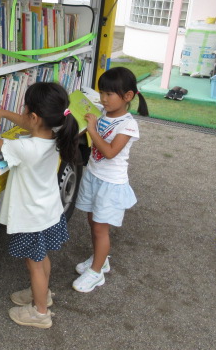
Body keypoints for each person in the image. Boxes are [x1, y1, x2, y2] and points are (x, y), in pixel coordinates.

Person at [0, 82, 79, 329]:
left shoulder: (25, 148)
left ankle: (40, 312)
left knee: (33, 263)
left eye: (25, 111)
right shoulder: (56, 134)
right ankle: (42, 294)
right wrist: (1, 112)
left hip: (31, 217)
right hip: (48, 212)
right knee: (41, 257)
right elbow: (28, 123)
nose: (23, 115)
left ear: (34, 116)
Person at [72, 67, 149, 293]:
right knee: (92, 222)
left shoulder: (128, 125)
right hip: (94, 176)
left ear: (127, 97)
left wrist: (92, 129)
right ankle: (100, 259)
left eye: (108, 94)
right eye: (101, 93)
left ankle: (96, 273)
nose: (103, 99)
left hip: (111, 184)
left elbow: (109, 152)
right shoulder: (105, 114)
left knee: (100, 229)